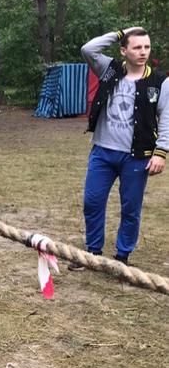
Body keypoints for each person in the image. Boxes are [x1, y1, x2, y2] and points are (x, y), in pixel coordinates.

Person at [70, 28, 167, 269]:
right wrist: (120, 33)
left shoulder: (160, 82)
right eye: (136, 47)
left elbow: (166, 118)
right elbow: (88, 49)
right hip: (102, 152)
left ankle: (122, 257)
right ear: (124, 50)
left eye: (146, 47)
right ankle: (92, 253)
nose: (143, 52)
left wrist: (161, 152)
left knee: (130, 208)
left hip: (136, 157)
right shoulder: (109, 69)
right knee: (92, 202)